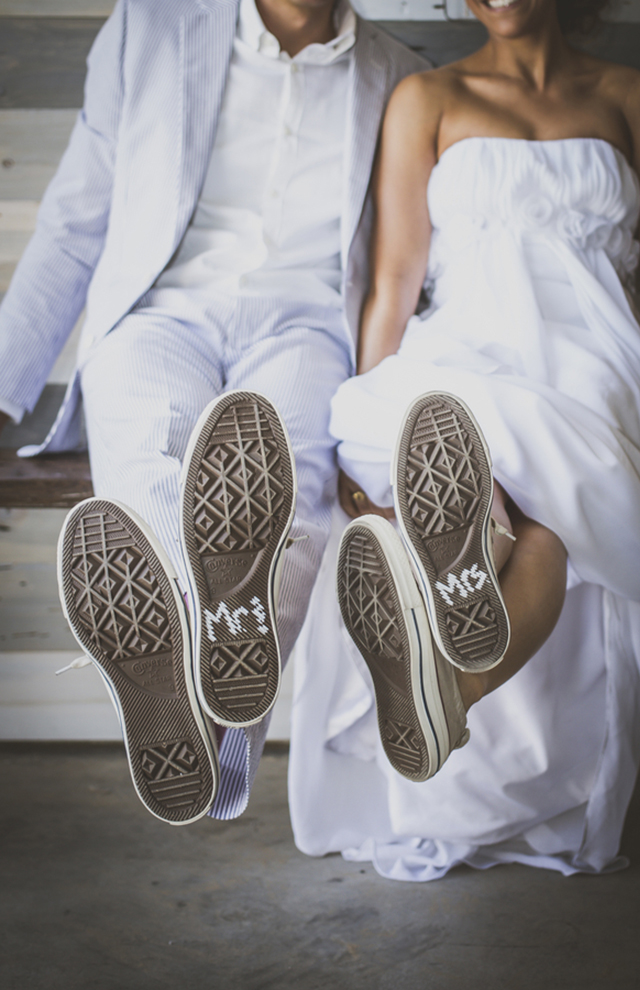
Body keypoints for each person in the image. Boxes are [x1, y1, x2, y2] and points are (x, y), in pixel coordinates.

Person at [0, 0, 428, 824]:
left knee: (290, 478)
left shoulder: (399, 74)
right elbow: (76, 216)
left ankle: (199, 705)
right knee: (147, 457)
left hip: (306, 324)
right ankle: (201, 704)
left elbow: (409, 263)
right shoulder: (150, 28)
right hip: (160, 312)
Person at [289, 0, 640, 881]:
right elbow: (395, 279)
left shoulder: (634, 97)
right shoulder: (428, 97)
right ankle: (446, 683)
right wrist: (356, 425)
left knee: (546, 490)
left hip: (592, 356)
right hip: (463, 346)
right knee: (472, 461)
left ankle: (443, 688)